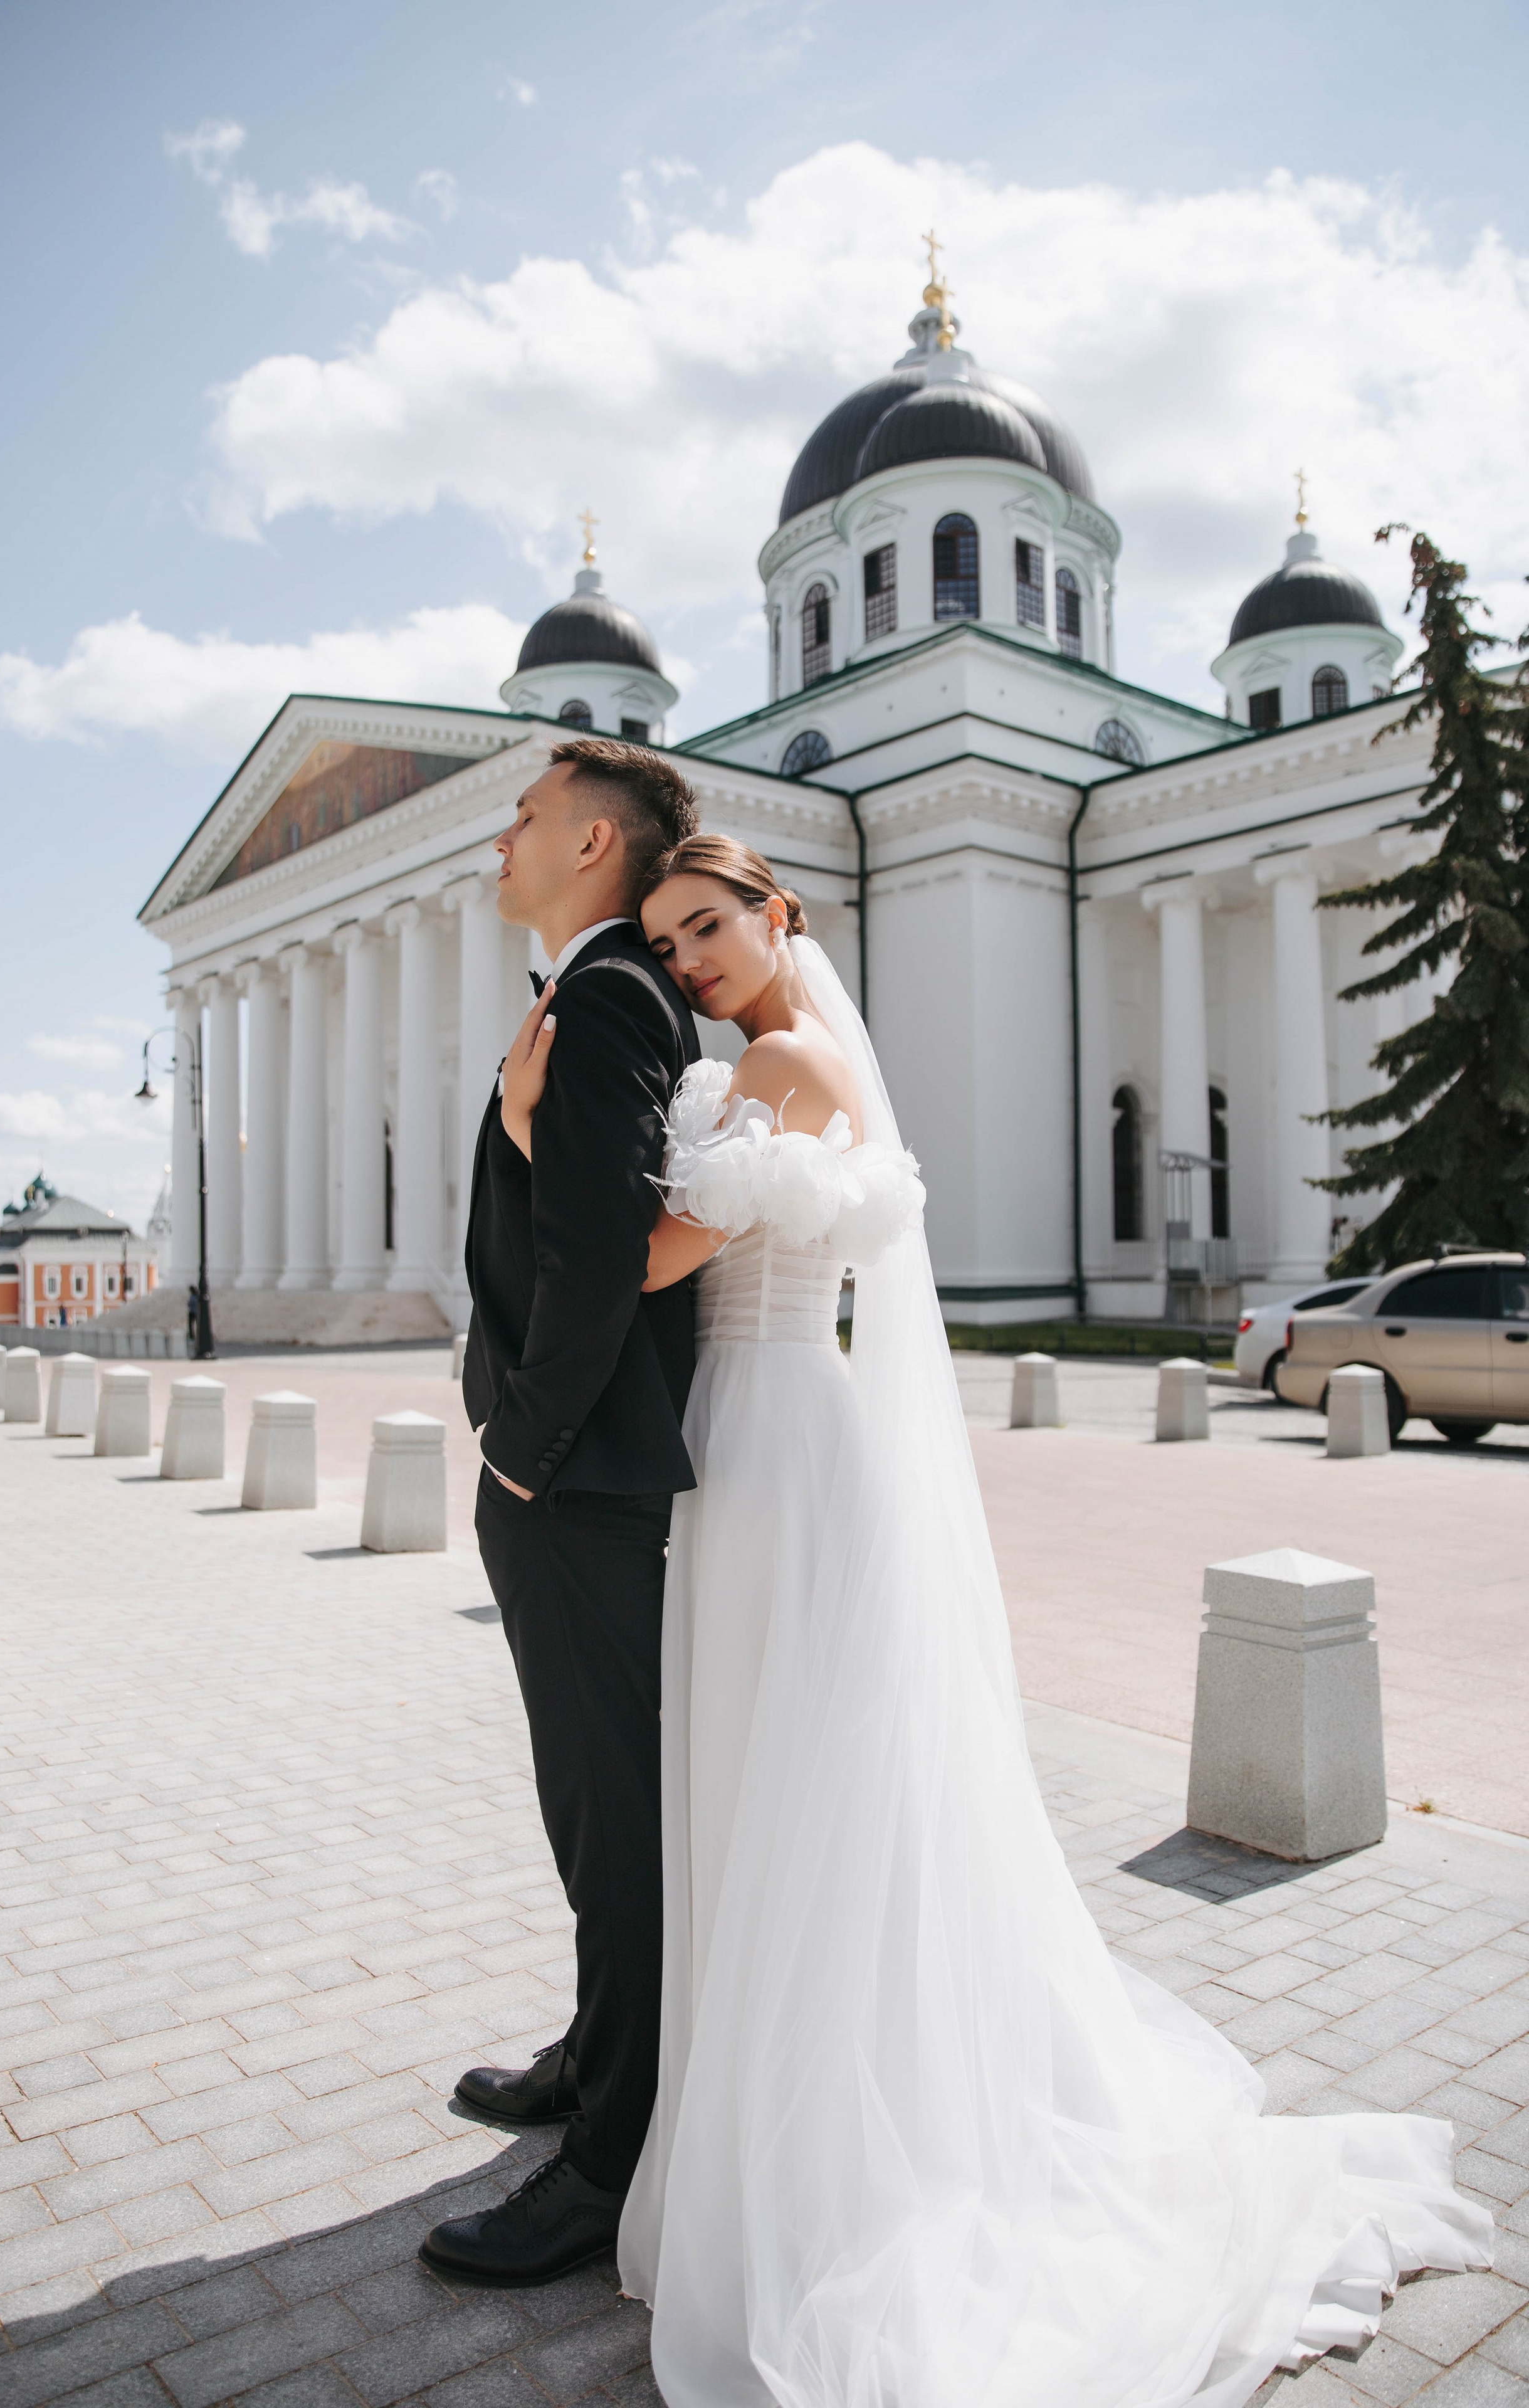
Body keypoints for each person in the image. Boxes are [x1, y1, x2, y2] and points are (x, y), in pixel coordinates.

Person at [502, 832, 1493, 2408]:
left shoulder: (790, 1070)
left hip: (772, 1443)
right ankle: (744, 2105)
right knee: (763, 1784)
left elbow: (648, 1259)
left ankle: (815, 2141)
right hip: (746, 1441)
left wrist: (528, 1123)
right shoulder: (767, 1058)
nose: (687, 959)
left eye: (710, 926)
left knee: (782, 1787)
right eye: (671, 937)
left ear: (780, 916)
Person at [419, 736, 700, 2290]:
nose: (501, 837)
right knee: (594, 1811)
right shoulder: (590, 992)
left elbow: (601, 1256)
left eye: (523, 817)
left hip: (577, 1482)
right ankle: (599, 2059)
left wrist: (521, 1449)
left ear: (594, 845)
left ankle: (610, 2160)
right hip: (574, 1474)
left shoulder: (602, 996)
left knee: (612, 1820)